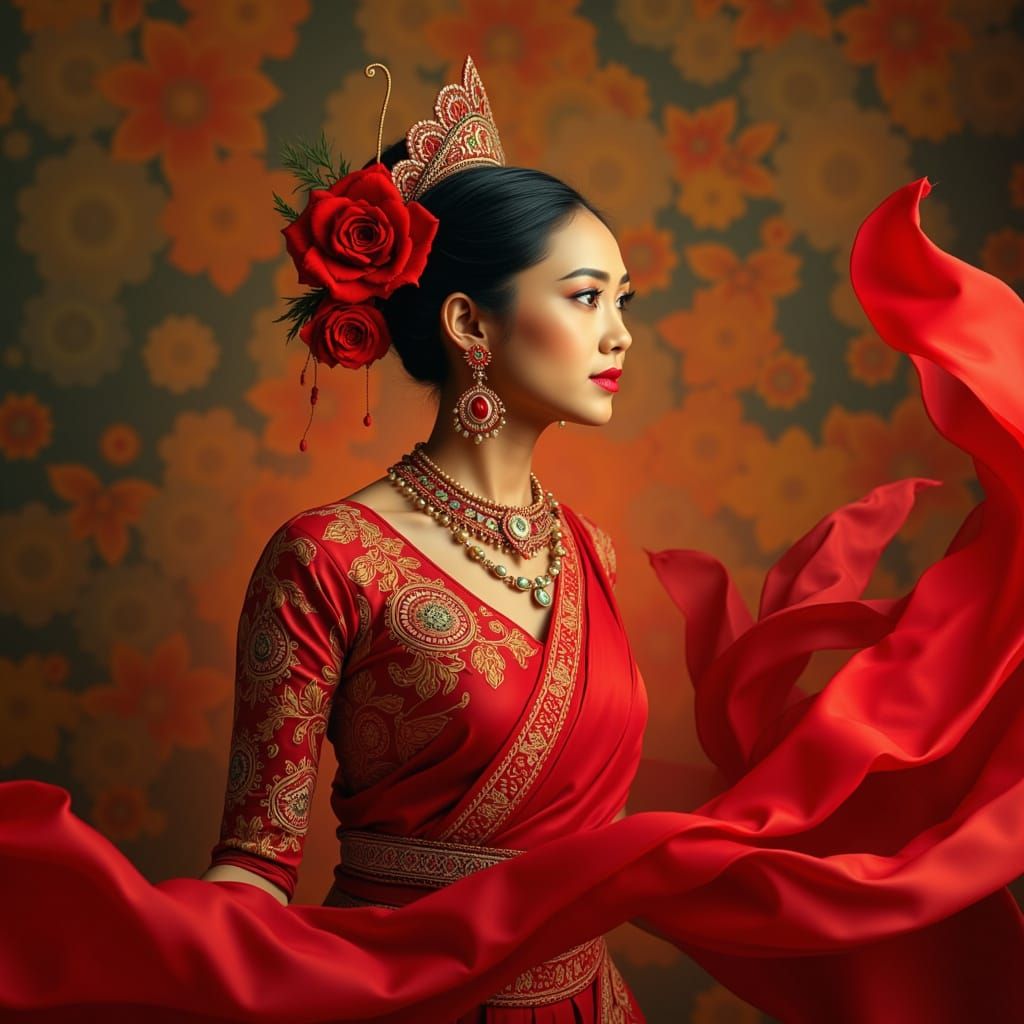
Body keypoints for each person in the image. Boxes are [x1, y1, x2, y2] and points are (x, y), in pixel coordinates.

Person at [0, 54, 1022, 1024]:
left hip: (589, 999)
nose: (619, 333)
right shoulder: (325, 557)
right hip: (401, 997)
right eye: (584, 298)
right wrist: (157, 957)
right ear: (468, 324)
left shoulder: (593, 552)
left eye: (623, 301)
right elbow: (255, 866)